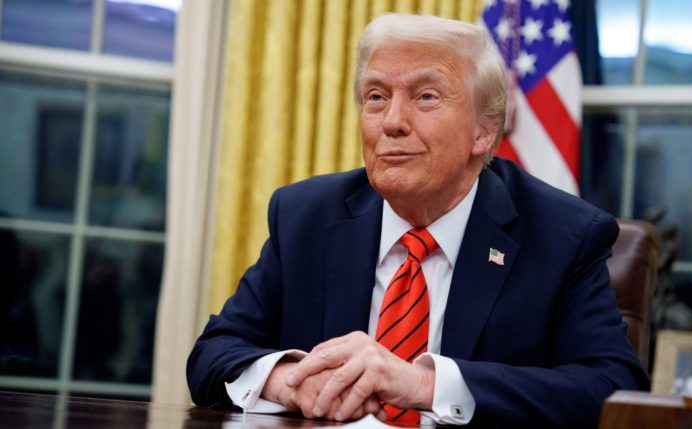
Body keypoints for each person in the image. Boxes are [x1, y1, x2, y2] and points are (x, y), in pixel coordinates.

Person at [187, 13, 648, 428]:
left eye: (425, 96)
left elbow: (612, 390)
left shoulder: (561, 235)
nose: (391, 122)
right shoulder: (307, 216)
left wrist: (421, 384)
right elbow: (213, 353)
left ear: (484, 131)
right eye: (375, 96)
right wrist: (290, 382)